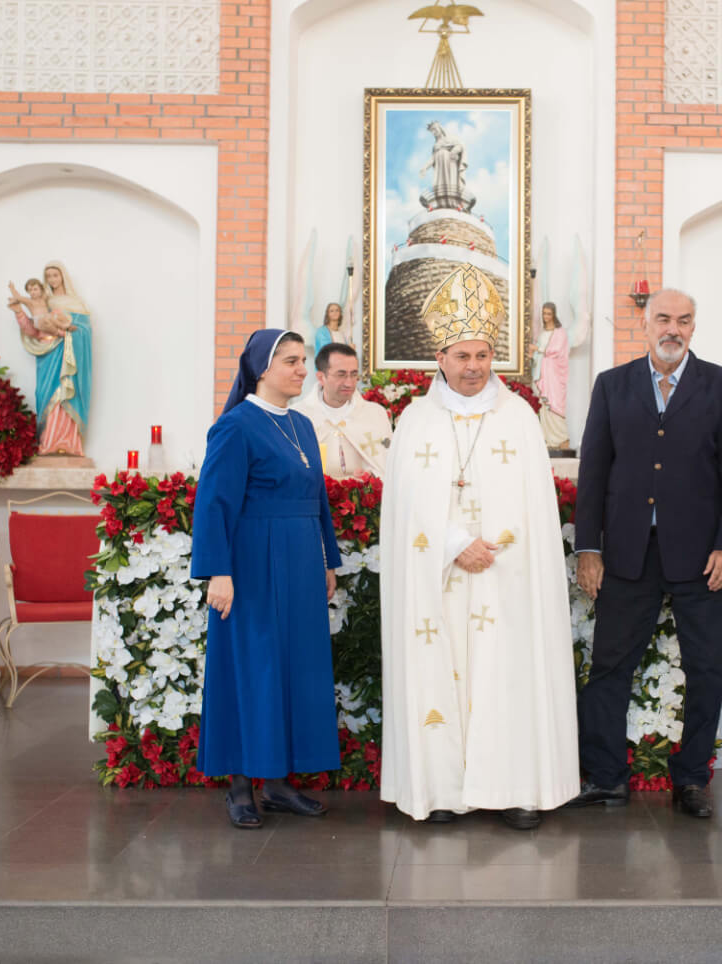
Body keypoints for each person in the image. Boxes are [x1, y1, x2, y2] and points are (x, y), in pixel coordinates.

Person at [379, 263, 578, 831]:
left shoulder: (519, 418)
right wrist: (453, 543)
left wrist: (494, 547)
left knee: (505, 673)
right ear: (439, 358)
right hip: (438, 575)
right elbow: (404, 506)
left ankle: (513, 788)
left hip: (505, 575)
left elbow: (533, 506)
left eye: (483, 356)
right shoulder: (415, 420)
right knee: (437, 669)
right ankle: (441, 788)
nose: (474, 366)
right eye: (463, 356)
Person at [570, 288, 722, 819]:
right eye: (664, 319)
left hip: (702, 558)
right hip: (628, 554)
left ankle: (692, 779)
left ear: (694, 327)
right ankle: (606, 777)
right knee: (609, 667)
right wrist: (589, 548)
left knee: (707, 669)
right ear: (646, 325)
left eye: (684, 320)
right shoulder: (612, 385)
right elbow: (593, 472)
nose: (674, 329)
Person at [191, 329, 342, 829]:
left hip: (301, 564)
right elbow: (213, 503)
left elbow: (316, 499)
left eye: (303, 361)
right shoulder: (235, 426)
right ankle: (240, 786)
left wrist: (327, 560)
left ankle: (276, 783)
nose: (302, 370)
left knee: (295, 668)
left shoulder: (301, 424)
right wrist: (218, 571)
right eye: (291, 361)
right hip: (252, 564)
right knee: (252, 668)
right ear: (261, 368)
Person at [9, 260, 92, 458]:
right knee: (45, 394)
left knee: (67, 395)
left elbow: (85, 330)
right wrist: (19, 313)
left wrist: (69, 333)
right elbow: (33, 330)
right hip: (48, 355)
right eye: (48, 276)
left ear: (63, 276)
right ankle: (49, 442)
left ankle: (69, 443)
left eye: (55, 275)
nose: (52, 280)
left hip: (70, 356)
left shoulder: (76, 303)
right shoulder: (44, 301)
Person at [295, 343, 392, 479]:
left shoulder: (375, 414)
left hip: (362, 491)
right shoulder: (297, 416)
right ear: (321, 377)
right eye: (341, 375)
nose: (349, 383)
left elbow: (387, 466)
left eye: (354, 375)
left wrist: (371, 476)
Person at [533, 301, 571, 450]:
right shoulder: (542, 333)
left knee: (555, 402)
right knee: (545, 404)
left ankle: (561, 438)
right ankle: (548, 439)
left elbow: (555, 351)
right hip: (543, 372)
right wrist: (533, 353)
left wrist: (537, 349)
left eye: (549, 314)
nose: (546, 316)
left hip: (554, 374)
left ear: (554, 314)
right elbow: (539, 352)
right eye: (544, 313)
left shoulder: (560, 333)